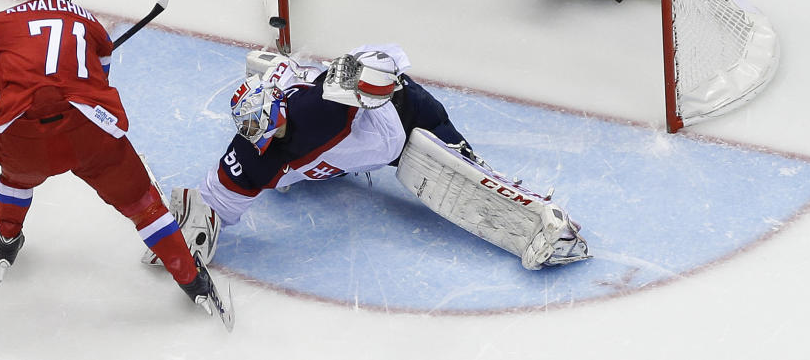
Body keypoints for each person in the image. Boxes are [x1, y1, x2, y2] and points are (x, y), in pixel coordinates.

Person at [0, 0, 220, 313]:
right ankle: (190, 279)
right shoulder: (92, 25)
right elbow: (97, 81)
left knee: (15, 178)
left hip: (25, 136)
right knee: (142, 203)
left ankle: (8, 238)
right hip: (88, 131)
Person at [161, 44, 588, 270]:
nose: (259, 138)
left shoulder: (322, 101)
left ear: (278, 108)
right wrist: (178, 243)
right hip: (354, 153)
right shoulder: (251, 153)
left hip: (407, 120)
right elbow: (211, 205)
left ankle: (544, 221)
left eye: (263, 126)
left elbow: (388, 58)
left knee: (462, 166)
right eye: (251, 132)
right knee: (289, 182)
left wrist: (368, 79)